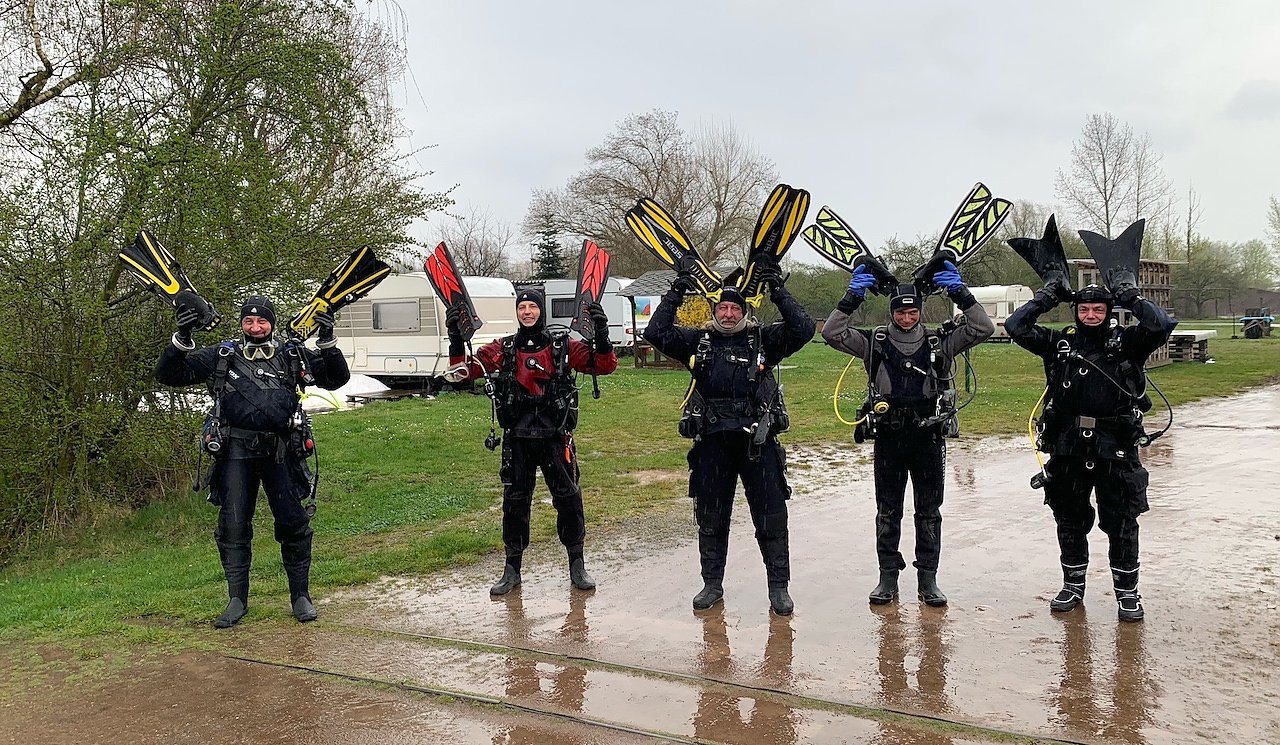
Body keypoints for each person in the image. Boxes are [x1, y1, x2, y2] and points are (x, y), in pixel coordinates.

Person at [156, 295, 350, 628]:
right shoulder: (223, 355)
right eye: (249, 321)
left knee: (293, 523)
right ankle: (237, 600)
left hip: (281, 452)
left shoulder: (292, 354)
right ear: (242, 324)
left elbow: (336, 379)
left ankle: (300, 597)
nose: (255, 327)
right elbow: (169, 374)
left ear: (271, 323)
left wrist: (328, 341)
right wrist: (182, 337)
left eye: (262, 321)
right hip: (235, 454)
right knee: (233, 526)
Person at [643, 262, 813, 615]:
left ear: (744, 311)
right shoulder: (697, 341)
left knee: (771, 516)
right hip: (712, 443)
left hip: (757, 443)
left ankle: (779, 588)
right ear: (714, 310)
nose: (729, 314)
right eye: (723, 307)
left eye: (736, 308)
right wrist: (676, 292)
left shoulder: (762, 340)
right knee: (711, 517)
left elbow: (804, 328)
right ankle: (712, 584)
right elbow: (656, 332)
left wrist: (778, 291)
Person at [821, 261, 993, 607]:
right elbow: (832, 332)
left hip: (928, 437)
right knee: (888, 511)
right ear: (891, 312)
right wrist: (852, 297)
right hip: (889, 437)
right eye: (900, 313)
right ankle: (888, 577)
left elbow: (983, 327)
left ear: (920, 311)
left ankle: (928, 578)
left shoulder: (939, 343)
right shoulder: (875, 342)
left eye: (913, 312)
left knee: (929, 512)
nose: (906, 318)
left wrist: (960, 293)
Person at [1005, 278, 1175, 621]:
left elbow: (1161, 325)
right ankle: (1072, 585)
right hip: (1068, 446)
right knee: (1069, 519)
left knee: (1121, 522)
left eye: (1099, 309)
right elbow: (1015, 326)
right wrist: (1046, 297)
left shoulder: (1128, 343)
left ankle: (1127, 593)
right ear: (1076, 311)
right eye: (1084, 309)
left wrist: (1130, 296)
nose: (1091, 315)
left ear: (1109, 311)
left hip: (1115, 446)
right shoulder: (1060, 343)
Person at [444, 288, 617, 595]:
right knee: (515, 503)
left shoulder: (563, 346)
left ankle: (577, 565)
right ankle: (512, 570)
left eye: (532, 307)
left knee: (568, 499)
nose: (527, 312)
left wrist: (601, 334)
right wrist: (456, 338)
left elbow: (604, 365)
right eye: (522, 307)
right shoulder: (504, 348)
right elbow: (462, 373)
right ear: (517, 312)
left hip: (555, 437)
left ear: (541, 311)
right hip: (518, 439)